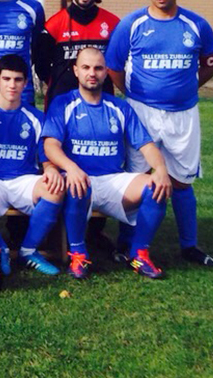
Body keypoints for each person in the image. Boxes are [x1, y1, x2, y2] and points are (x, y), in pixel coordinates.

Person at [105, 0, 213, 266]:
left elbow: (210, 62)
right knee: (141, 178)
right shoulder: (131, 24)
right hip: (142, 112)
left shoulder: (196, 25)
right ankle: (128, 244)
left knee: (181, 180)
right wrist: (134, 95)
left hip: (183, 114)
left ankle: (189, 245)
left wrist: (187, 88)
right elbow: (114, 67)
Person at [42, 47, 173, 280]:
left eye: (98, 68)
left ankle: (139, 253)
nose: (92, 73)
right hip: (78, 178)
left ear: (105, 73)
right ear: (75, 71)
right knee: (78, 183)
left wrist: (161, 169)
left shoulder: (119, 107)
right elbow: (50, 145)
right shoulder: (62, 103)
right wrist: (71, 168)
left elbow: (146, 145)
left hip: (113, 179)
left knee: (156, 187)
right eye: (86, 67)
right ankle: (78, 253)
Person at [0, 54, 65, 277]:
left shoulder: (36, 118)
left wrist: (52, 170)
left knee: (56, 187)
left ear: (25, 83)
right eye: (6, 79)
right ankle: (1, 248)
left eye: (18, 80)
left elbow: (46, 159)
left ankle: (28, 251)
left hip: (24, 179)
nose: (12, 85)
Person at [35, 0, 120, 110]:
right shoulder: (53, 25)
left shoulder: (113, 24)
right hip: (61, 105)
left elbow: (119, 64)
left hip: (101, 105)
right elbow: (41, 67)